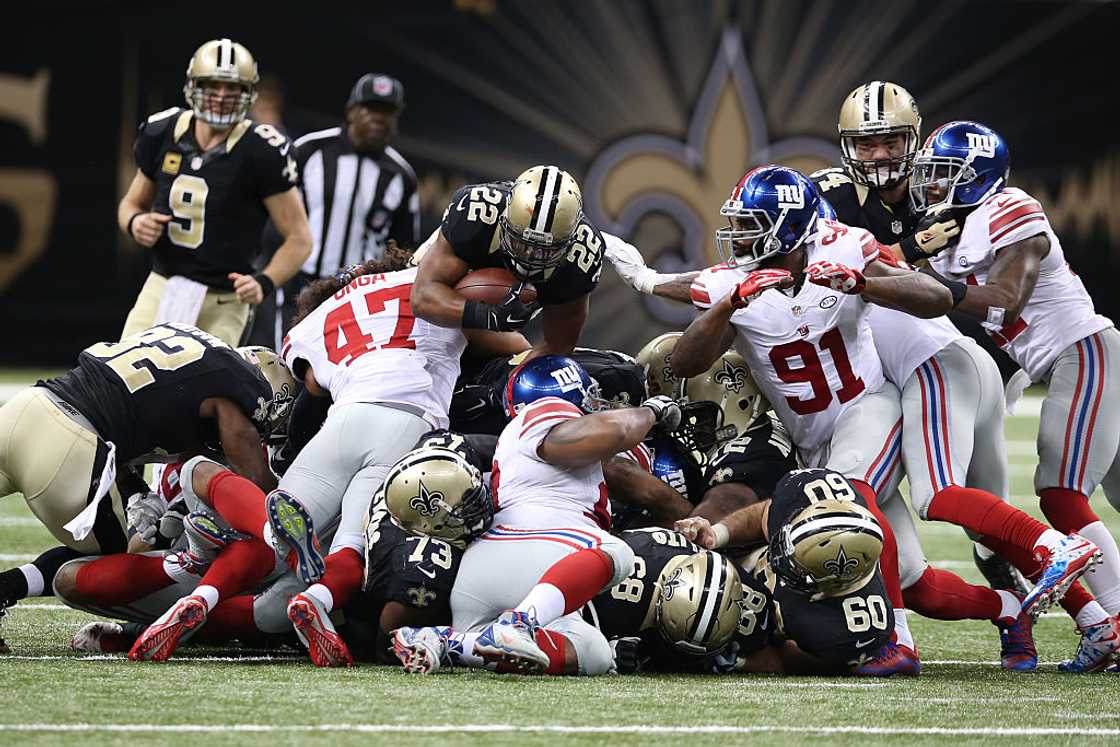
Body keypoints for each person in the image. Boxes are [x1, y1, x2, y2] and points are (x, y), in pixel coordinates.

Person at [914, 120, 1120, 671]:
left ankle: (1116, 622)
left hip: (1085, 349)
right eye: (928, 175)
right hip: (1063, 358)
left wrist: (936, 287)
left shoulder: (1009, 207)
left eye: (942, 175)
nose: (930, 186)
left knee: (1059, 493)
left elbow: (1007, 297)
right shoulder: (955, 227)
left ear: (977, 174)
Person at [0, 325, 291, 650]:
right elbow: (256, 481)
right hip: (69, 446)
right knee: (114, 562)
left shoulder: (189, 347)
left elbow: (121, 410)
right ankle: (6, 588)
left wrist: (136, 490)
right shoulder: (240, 386)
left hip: (27, 406)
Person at [390, 355, 681, 675]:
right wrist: (652, 411)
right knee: (615, 551)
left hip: (482, 571)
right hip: (544, 549)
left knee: (593, 652)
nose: (594, 405)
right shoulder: (546, 412)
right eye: (587, 395)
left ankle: (450, 642)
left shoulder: (514, 438)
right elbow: (616, 431)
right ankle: (520, 622)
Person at [117, 38, 311, 347]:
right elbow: (130, 204)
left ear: (247, 93)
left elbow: (300, 239)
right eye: (212, 86)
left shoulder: (262, 150)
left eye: (232, 88)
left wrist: (264, 280)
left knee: (206, 390)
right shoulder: (162, 131)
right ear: (194, 86)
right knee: (124, 376)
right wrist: (134, 222)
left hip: (224, 298)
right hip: (163, 283)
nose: (221, 97)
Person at [411, 165, 605, 356]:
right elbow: (422, 297)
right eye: (521, 242)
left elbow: (557, 347)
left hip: (493, 329)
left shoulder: (581, 258)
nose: (529, 255)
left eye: (544, 250)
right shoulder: (476, 214)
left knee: (523, 363)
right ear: (504, 219)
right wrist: (490, 315)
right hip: (446, 296)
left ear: (569, 242)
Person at [282, 73, 419, 333]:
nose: (378, 118)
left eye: (387, 111)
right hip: (301, 282)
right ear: (351, 111)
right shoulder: (309, 151)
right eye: (370, 108)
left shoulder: (401, 175)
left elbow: (404, 248)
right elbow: (275, 212)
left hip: (359, 293)